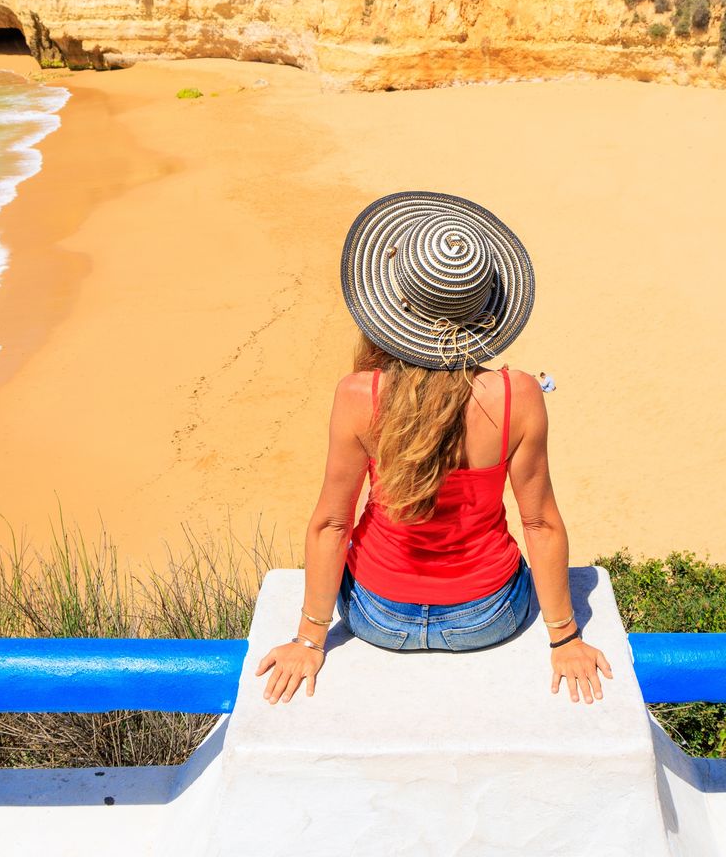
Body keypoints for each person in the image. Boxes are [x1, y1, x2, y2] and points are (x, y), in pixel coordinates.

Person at [255, 191, 613, 705]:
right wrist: (565, 638)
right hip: (488, 616)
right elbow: (541, 523)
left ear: (396, 305)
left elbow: (331, 523)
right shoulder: (517, 395)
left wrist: (310, 639)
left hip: (377, 615)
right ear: (485, 308)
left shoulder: (359, 395)